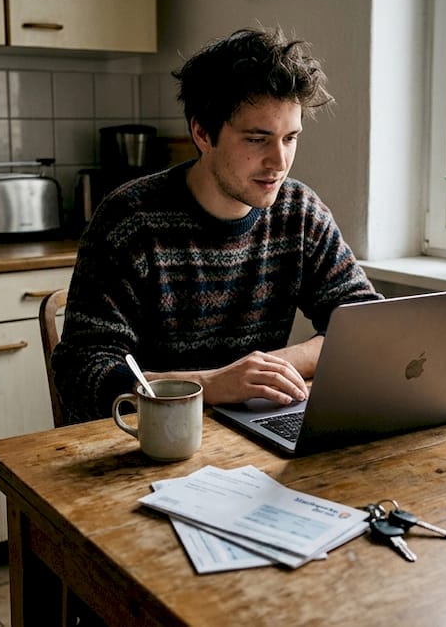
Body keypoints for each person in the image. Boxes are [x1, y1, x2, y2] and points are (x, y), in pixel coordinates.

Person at [52, 27, 383, 425]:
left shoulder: (300, 213)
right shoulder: (130, 222)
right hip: (144, 443)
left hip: (248, 435)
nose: (279, 162)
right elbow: (80, 374)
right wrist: (212, 384)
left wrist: (265, 368)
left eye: (290, 137)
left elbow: (366, 328)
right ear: (202, 133)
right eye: (258, 139)